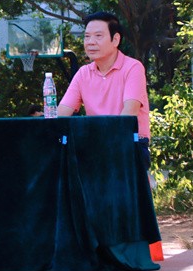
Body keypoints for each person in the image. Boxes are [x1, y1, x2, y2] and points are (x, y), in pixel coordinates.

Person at [58, 11, 151, 166]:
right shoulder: (83, 73)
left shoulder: (133, 68)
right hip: (95, 146)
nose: (90, 42)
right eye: (87, 36)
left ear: (115, 40)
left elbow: (128, 117)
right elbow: (60, 115)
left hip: (129, 145)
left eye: (98, 36)